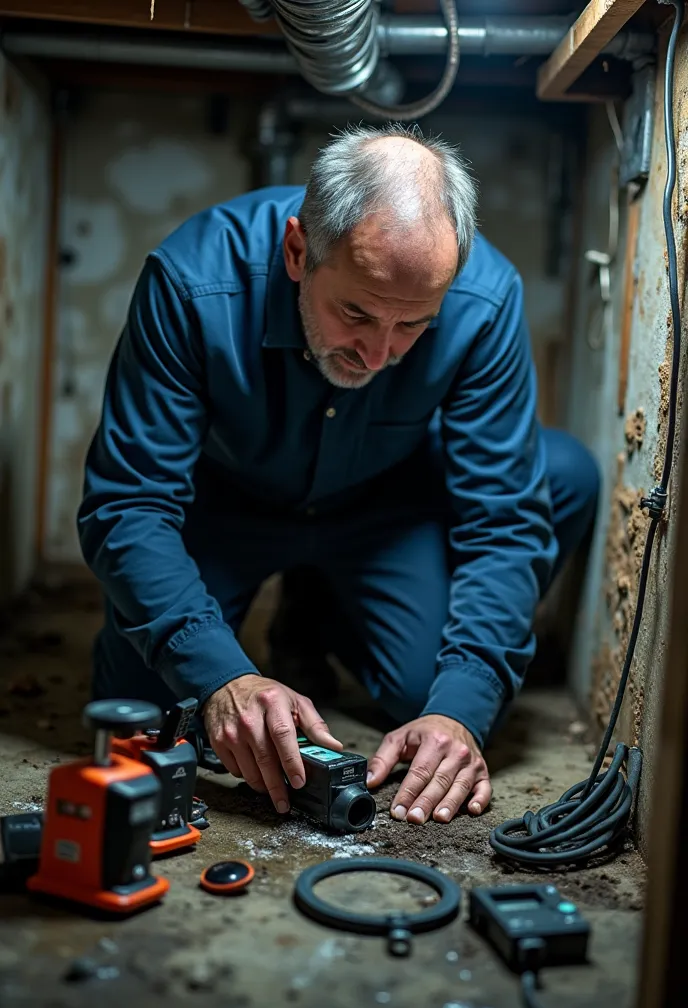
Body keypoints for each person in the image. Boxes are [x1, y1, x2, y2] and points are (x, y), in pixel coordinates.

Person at [77, 124, 599, 827]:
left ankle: (318, 610)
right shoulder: (191, 280)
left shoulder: (486, 299)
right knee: (147, 717)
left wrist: (460, 712)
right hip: (227, 507)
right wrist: (221, 676)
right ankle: (270, 622)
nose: (380, 353)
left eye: (413, 325)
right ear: (298, 251)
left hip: (382, 507)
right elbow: (127, 503)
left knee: (444, 680)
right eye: (356, 312)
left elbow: (504, 521)